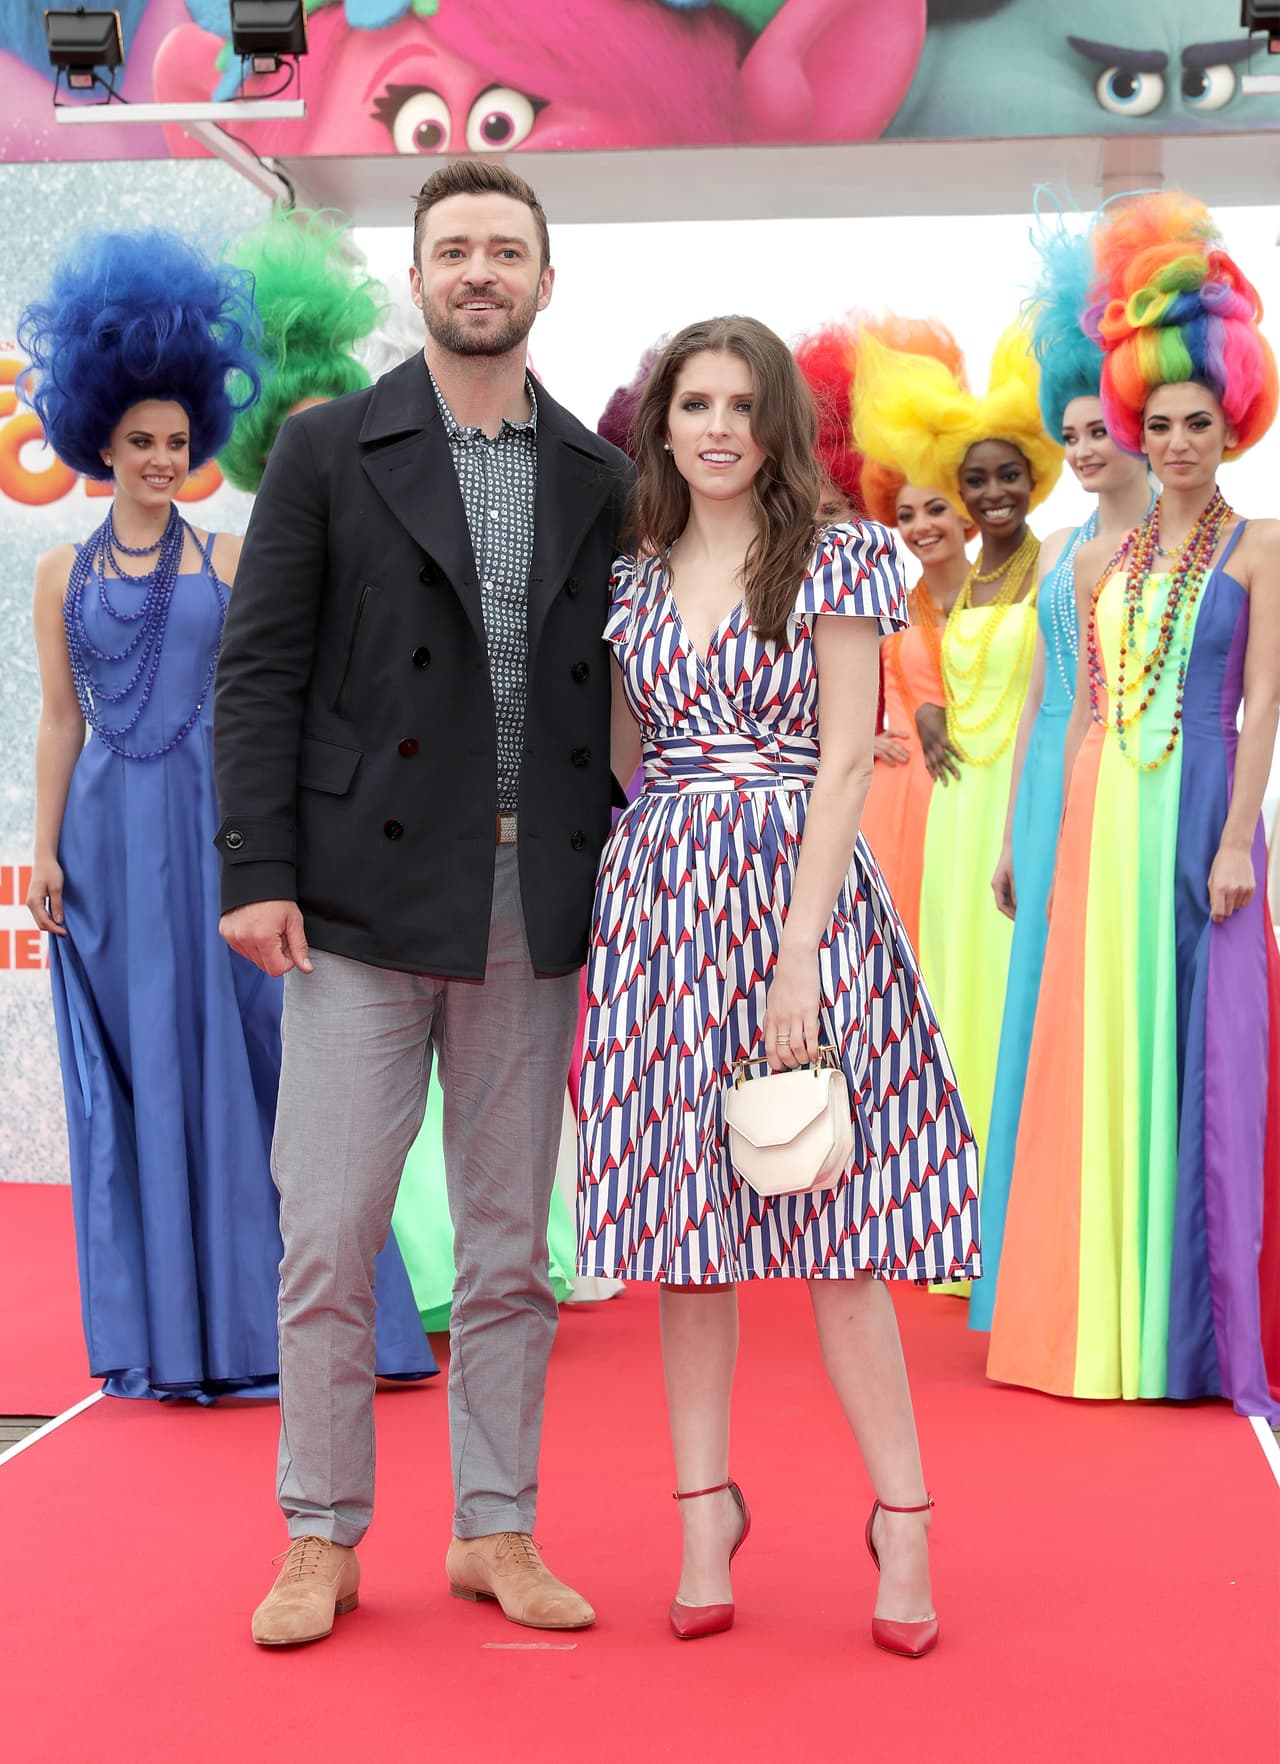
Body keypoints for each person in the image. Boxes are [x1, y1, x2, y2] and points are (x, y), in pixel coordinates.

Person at [213, 158, 631, 1646]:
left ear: (543, 279)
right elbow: (258, 669)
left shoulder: (597, 473)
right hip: (355, 899)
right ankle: (319, 1536)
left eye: (504, 250)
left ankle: (495, 1530)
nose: (478, 271)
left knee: (511, 1245)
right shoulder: (329, 451)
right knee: (326, 1228)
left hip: (531, 895)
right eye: (453, 248)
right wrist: (256, 867)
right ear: (416, 274)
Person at [576, 316, 979, 1658]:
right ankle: (704, 1515)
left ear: (780, 426)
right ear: (663, 422)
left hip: (803, 909)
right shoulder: (626, 578)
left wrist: (800, 944)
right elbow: (626, 752)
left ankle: (904, 1518)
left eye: (745, 405)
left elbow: (851, 761)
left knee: (838, 1233)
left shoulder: (842, 556)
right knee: (691, 1247)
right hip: (663, 906)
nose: (720, 428)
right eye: (696, 403)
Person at [988, 193, 1280, 1419]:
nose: (1171, 441)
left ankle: (1190, 1330)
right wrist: (1033, 835)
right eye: (1153, 422)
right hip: (1107, 818)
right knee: (1103, 1040)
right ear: (1129, 425)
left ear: (1232, 424)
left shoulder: (1262, 544)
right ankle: (1096, 1313)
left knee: (1202, 1049)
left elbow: (1261, 703)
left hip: (1205, 802)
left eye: (1193, 422)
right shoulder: (1093, 559)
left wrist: (1228, 841)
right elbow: (1077, 701)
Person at [21, 231, 276, 1400]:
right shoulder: (58, 575)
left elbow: (263, 706)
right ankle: (163, 1334)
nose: (163, 459)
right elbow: (62, 718)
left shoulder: (231, 554)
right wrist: (40, 850)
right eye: (141, 442)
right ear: (97, 443)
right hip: (107, 850)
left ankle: (257, 1329)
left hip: (212, 830)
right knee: (135, 1077)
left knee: (241, 1058)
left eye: (179, 442)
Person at [968, 209, 1153, 1333]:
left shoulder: (1164, 548)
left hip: (1114, 788)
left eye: (1098, 428)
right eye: (1070, 431)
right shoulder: (1069, 550)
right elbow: (1046, 689)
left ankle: (1101, 1253)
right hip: (1043, 792)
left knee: (1102, 1007)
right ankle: (1033, 1264)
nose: (1082, 447)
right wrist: (1005, 833)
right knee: (1037, 1015)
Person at [853, 323, 1062, 1284]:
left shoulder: (1055, 568)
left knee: (1013, 996)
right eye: (973, 480)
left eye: (1005, 476)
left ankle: (1022, 1210)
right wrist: (925, 712)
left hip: (1017, 805)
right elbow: (926, 670)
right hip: (951, 814)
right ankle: (960, 1215)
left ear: (1034, 476)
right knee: (951, 1000)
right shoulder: (954, 592)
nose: (990, 494)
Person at [852, 314, 973, 948]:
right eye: (906, 515)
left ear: (966, 511)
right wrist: (860, 739)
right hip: (892, 796)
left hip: (970, 791)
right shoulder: (886, 608)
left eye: (935, 508)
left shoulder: (1014, 601)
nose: (921, 525)